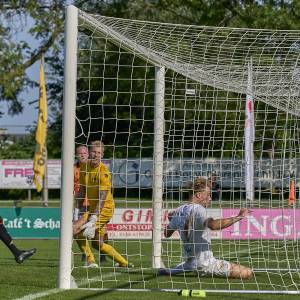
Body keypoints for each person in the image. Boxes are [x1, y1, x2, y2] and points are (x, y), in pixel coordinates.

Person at [159, 177, 253, 279]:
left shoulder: (179, 210)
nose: (210, 198)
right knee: (248, 273)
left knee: (184, 265)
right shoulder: (199, 209)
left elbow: (167, 233)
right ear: (199, 195)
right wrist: (239, 217)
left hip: (190, 263)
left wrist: (173, 219)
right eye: (208, 195)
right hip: (206, 264)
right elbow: (213, 225)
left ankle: (170, 271)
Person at [73, 140, 131, 268]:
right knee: (97, 243)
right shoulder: (84, 167)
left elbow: (102, 198)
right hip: (94, 208)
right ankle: (124, 263)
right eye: (93, 151)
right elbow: (82, 190)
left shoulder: (103, 171)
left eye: (99, 153)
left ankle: (90, 261)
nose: (96, 155)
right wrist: (76, 211)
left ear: (102, 155)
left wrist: (93, 219)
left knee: (75, 229)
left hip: (105, 209)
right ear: (89, 153)